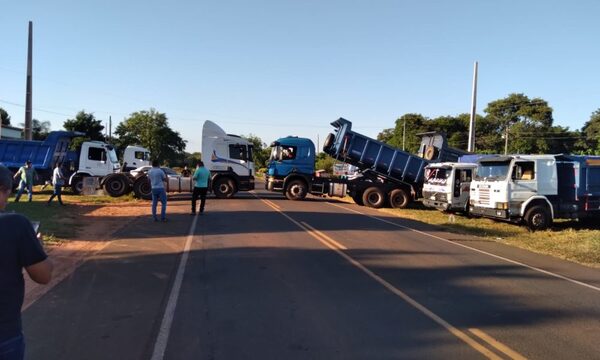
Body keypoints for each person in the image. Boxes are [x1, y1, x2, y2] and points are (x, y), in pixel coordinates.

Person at [0, 165, 53, 360]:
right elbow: (43, 276)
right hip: (4, 335)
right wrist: (39, 248)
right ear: (3, 189)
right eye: (7, 193)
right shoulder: (15, 224)